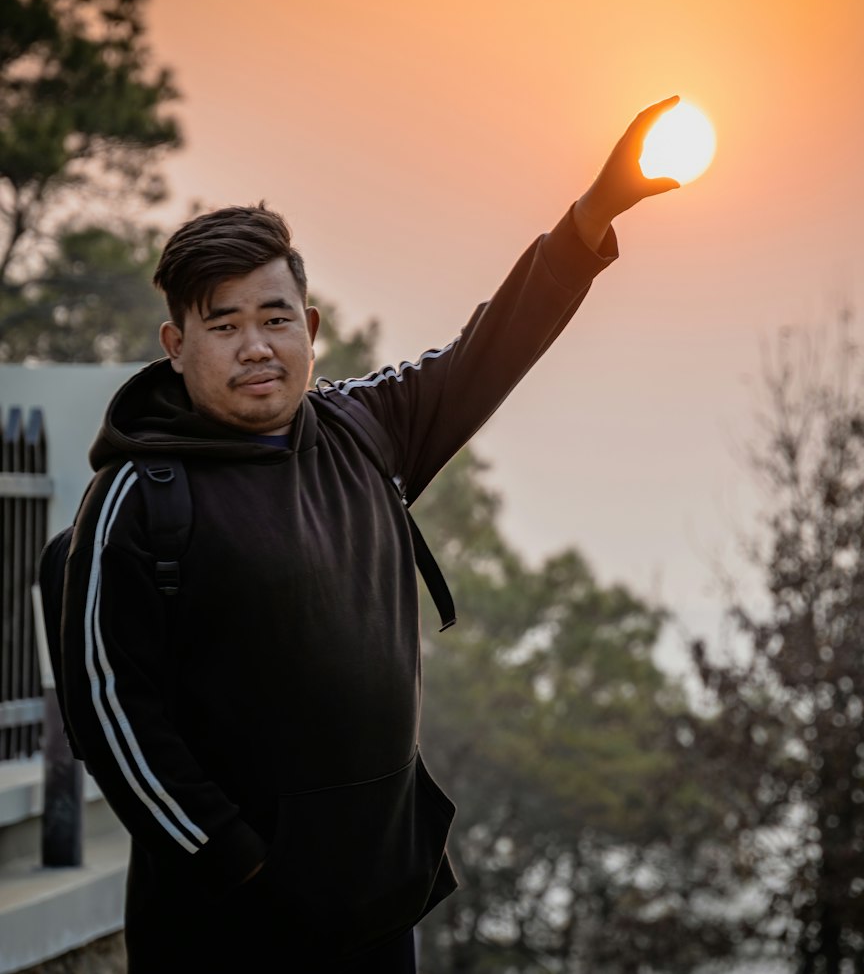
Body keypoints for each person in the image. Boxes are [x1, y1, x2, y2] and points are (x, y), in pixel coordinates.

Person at [60, 98, 682, 972]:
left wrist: (593, 215)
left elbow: (486, 352)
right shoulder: (136, 496)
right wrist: (233, 860)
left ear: (309, 330)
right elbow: (110, 710)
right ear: (175, 343)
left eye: (275, 318)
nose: (256, 347)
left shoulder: (363, 431)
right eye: (223, 324)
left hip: (378, 905)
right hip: (225, 925)